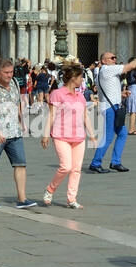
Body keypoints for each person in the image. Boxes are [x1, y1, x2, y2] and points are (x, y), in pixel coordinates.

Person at [0, 58, 35, 209]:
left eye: (11, 72)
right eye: (6, 72)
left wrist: (22, 121)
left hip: (14, 133)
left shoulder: (15, 83)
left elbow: (17, 103)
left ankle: (22, 198)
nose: (10, 75)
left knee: (20, 164)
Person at [88, 49, 136, 173]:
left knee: (122, 133)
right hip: (109, 108)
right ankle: (96, 163)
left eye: (115, 57)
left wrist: (121, 94)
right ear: (103, 61)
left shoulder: (102, 72)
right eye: (111, 58)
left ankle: (115, 162)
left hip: (112, 107)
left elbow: (106, 91)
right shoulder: (108, 69)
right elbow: (131, 66)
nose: (114, 59)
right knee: (108, 137)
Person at [40, 64, 95, 209]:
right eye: (80, 77)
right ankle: (50, 189)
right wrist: (45, 135)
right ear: (73, 78)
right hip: (60, 135)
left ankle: (72, 199)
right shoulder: (58, 94)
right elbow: (51, 115)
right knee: (66, 166)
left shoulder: (81, 96)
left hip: (78, 136)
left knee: (76, 169)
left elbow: (85, 116)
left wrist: (92, 134)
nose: (82, 80)